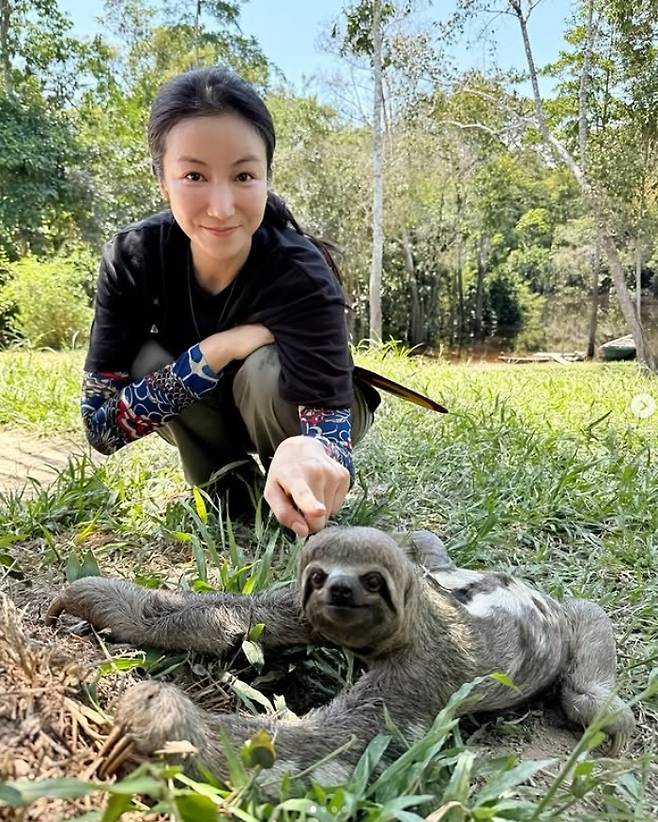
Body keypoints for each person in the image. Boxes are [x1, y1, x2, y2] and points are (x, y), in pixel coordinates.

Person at [81, 66, 380, 537]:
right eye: (194, 175)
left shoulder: (299, 271)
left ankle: (294, 497)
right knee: (146, 358)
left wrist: (313, 452)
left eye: (243, 175)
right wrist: (218, 348)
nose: (221, 207)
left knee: (264, 368)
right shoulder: (135, 258)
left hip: (293, 407)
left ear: (265, 177)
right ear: (163, 181)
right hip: (212, 405)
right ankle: (232, 494)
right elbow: (100, 428)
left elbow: (331, 432)